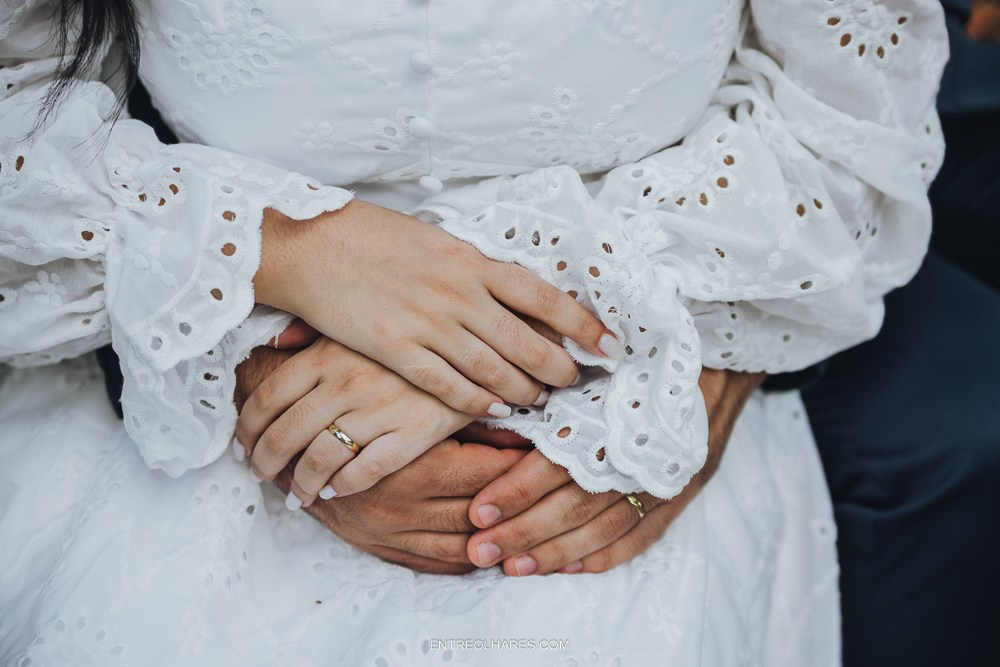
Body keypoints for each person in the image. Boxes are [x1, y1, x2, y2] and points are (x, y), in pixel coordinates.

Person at [0, 1, 947, 664]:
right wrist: (273, 255)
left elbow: (851, 134)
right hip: (182, 379)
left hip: (652, 340)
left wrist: (563, 307)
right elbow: (21, 119)